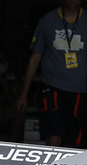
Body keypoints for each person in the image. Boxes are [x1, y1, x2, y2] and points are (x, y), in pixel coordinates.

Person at [17, 0, 87, 148]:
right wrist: (24, 93)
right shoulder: (48, 20)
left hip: (80, 90)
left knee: (77, 141)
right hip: (52, 86)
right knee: (53, 137)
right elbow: (35, 57)